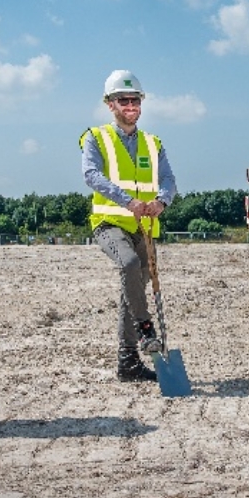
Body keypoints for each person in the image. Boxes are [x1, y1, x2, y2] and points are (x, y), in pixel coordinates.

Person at [80, 70, 177, 383]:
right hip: (109, 224)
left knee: (131, 291)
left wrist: (162, 201)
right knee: (130, 264)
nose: (131, 105)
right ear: (110, 104)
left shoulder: (153, 143)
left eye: (135, 99)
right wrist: (128, 201)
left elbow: (168, 179)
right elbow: (91, 175)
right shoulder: (96, 138)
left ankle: (128, 361)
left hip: (145, 229)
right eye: (124, 100)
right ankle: (146, 328)